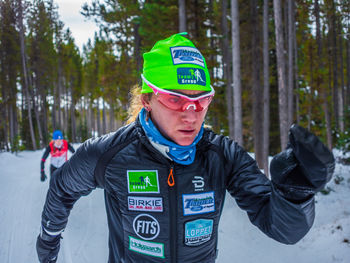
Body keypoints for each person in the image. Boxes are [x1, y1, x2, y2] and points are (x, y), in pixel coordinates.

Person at [36, 33, 335, 263]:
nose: (190, 114)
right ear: (147, 100)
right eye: (175, 99)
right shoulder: (110, 154)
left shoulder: (223, 156)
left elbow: (282, 229)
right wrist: (48, 238)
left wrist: (295, 192)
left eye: (200, 100)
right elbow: (63, 187)